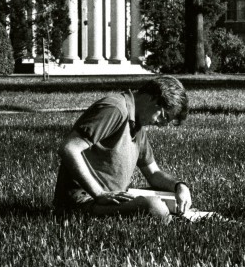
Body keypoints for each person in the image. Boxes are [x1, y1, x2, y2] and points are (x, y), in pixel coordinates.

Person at [53, 76, 192, 222]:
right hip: (82, 202)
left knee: (171, 197)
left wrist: (179, 186)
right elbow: (69, 148)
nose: (161, 124)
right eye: (164, 117)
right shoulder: (114, 110)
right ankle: (171, 219)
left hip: (112, 198)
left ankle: (175, 217)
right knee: (154, 207)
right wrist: (99, 194)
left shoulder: (137, 125)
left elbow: (153, 173)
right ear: (153, 98)